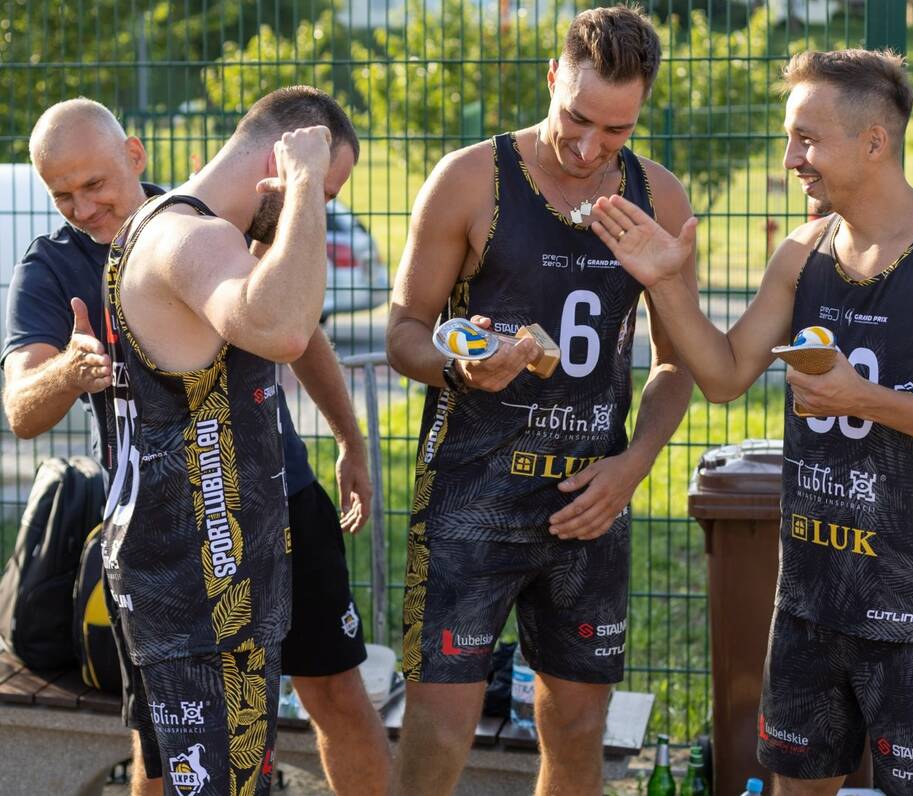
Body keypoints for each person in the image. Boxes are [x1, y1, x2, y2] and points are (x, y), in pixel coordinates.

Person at [587, 49, 913, 796]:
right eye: (790, 139)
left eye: (807, 140)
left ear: (874, 142)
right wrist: (666, 284)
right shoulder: (802, 251)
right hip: (810, 596)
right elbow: (724, 374)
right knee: (797, 787)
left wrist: (864, 399)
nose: (790, 159)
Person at [3, 91, 387, 794]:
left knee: (334, 694)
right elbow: (21, 407)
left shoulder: (200, 222)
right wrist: (69, 370)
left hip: (276, 501)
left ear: (134, 155)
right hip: (179, 544)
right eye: (62, 196)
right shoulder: (108, 254)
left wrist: (349, 439)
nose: (82, 207)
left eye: (94, 184)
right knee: (166, 747)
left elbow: (296, 326)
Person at [385, 6, 696, 794]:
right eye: (576, 118)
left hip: (589, 502)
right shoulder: (470, 179)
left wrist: (634, 464)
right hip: (470, 499)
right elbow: (404, 332)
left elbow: (679, 361)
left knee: (579, 728)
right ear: (552, 78)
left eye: (616, 131)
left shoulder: (658, 195)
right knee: (439, 732)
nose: (589, 148)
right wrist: (460, 367)